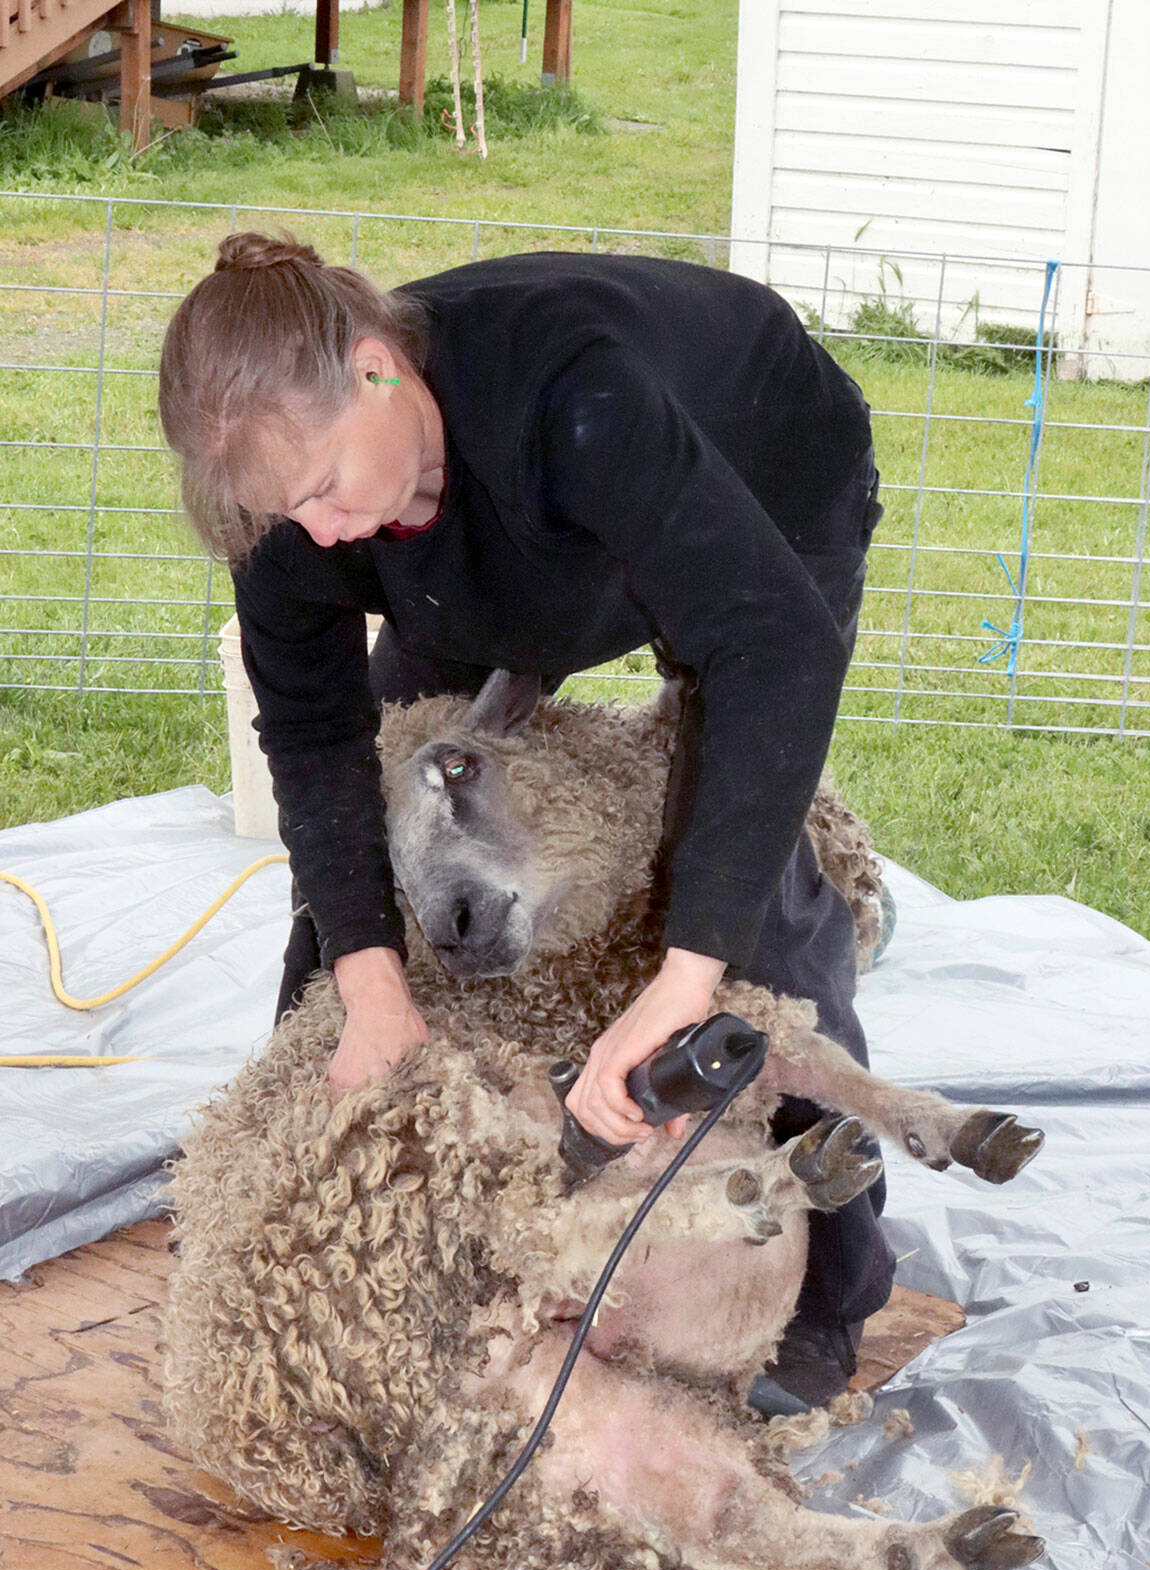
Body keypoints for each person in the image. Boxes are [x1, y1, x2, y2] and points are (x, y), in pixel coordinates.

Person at [158, 233, 891, 1413]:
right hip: (474, 552)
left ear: (378, 369)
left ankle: (830, 1295)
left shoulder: (571, 393)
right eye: (284, 511)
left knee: (735, 876)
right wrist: (372, 988)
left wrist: (682, 976)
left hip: (750, 481)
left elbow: (774, 645)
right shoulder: (313, 521)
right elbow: (313, 747)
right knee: (376, 866)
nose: (319, 529)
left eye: (322, 486)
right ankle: (287, 1215)